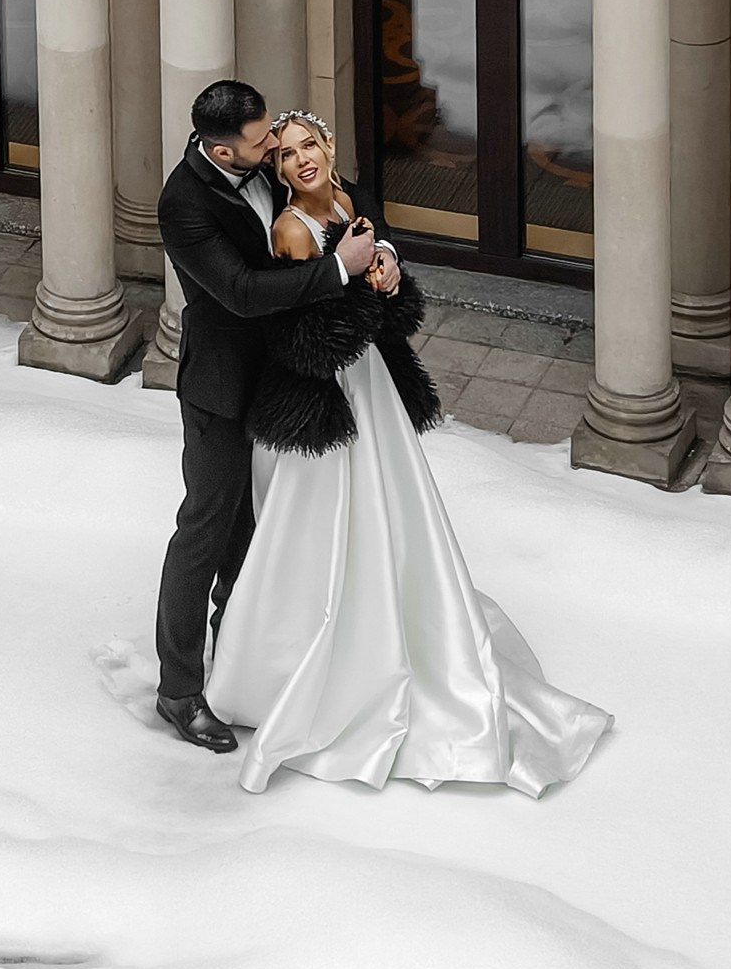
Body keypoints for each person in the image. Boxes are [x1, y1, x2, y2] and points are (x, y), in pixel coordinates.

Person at [203, 111, 611, 796]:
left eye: (308, 147)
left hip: (369, 383)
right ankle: (303, 667)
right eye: (285, 159)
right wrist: (356, 285)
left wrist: (386, 279)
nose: (300, 162)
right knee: (324, 526)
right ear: (273, 173)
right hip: (324, 398)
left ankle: (402, 627)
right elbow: (302, 342)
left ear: (328, 145)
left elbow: (375, 294)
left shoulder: (349, 202)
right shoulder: (291, 231)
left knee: (393, 512)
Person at [152, 80, 378, 752]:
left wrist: (377, 254)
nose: (274, 147)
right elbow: (243, 293)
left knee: (262, 534)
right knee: (207, 529)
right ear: (220, 147)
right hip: (222, 388)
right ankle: (179, 692)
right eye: (261, 143)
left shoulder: (263, 164)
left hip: (287, 379)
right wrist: (338, 270)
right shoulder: (182, 204)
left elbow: (333, 200)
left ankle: (243, 667)